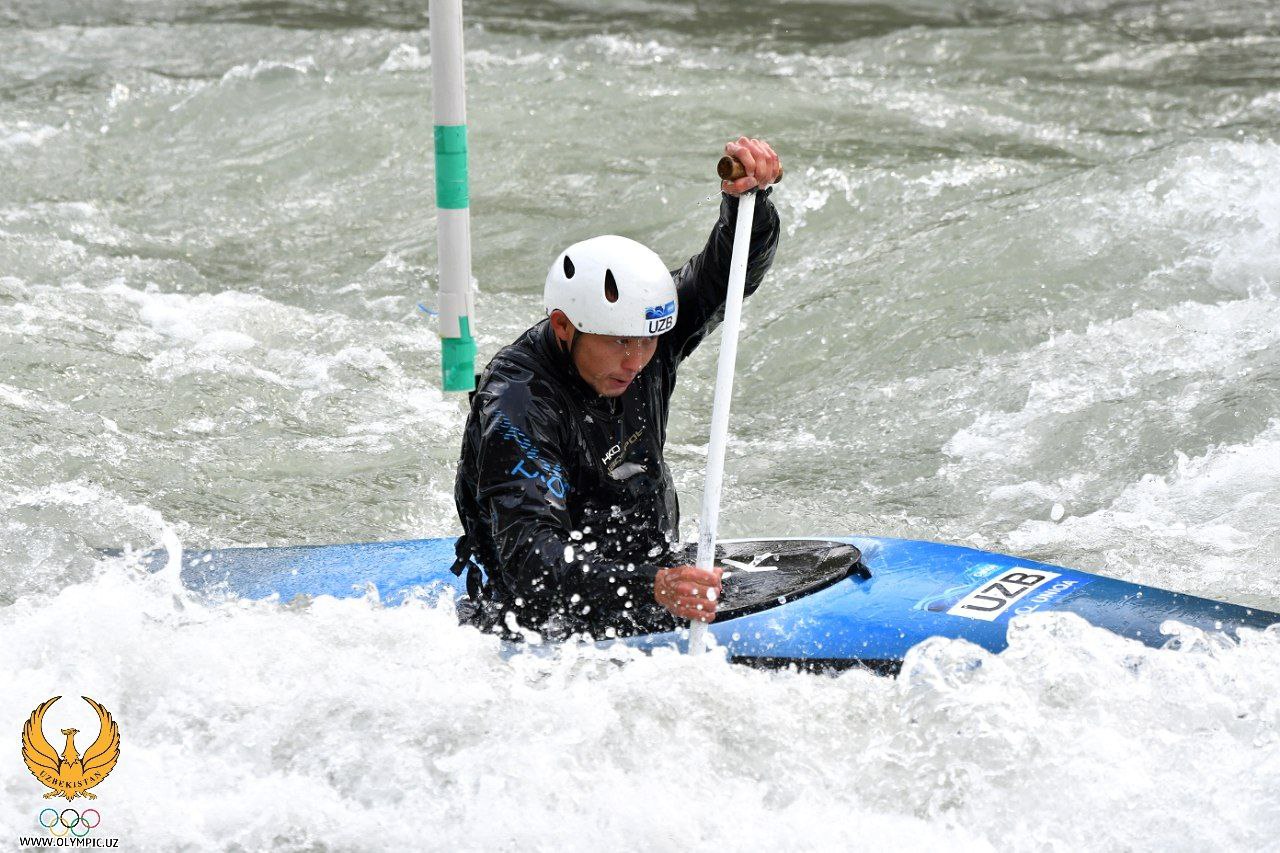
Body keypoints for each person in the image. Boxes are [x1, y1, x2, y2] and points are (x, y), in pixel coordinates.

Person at [453, 137, 782, 639]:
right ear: (564, 327)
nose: (636, 361)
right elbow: (532, 564)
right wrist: (654, 585)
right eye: (619, 344)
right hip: (541, 618)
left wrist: (747, 206)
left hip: (649, 574)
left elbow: (725, 278)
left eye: (648, 343)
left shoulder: (647, 336)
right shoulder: (517, 405)